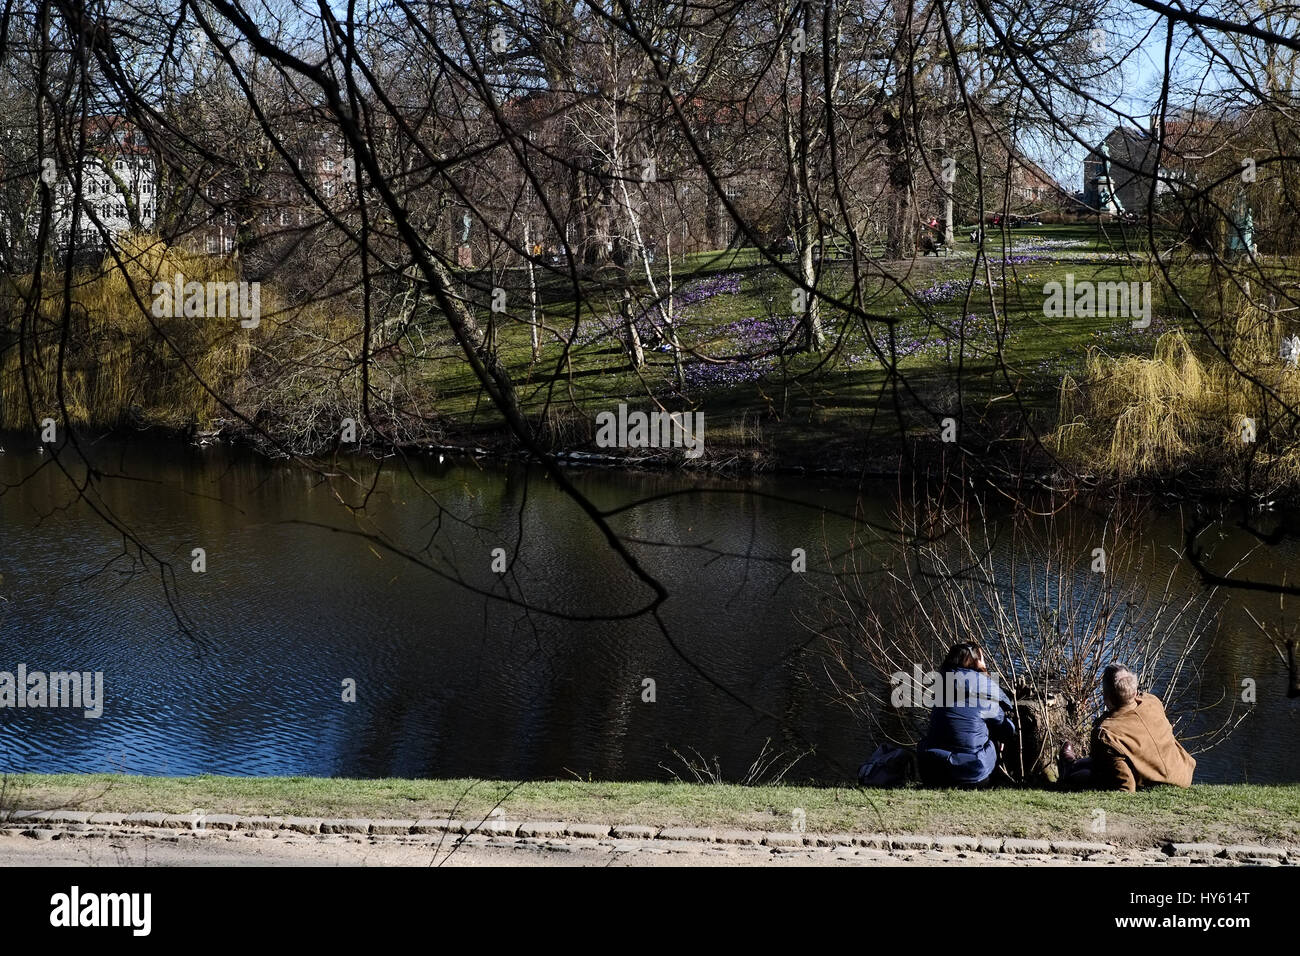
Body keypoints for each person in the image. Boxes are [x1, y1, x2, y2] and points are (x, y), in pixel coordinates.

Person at [1060, 664, 1195, 791]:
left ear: (1107, 698)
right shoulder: (1152, 702)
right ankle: (1072, 764)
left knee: (1089, 772)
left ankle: (1069, 771)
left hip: (1154, 781)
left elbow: (1125, 785)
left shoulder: (1107, 733)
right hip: (1182, 775)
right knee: (1098, 761)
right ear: (1135, 692)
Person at [917, 642, 1017, 787]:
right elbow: (1008, 730)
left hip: (932, 772)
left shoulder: (940, 691)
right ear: (976, 662)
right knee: (996, 738)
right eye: (982, 658)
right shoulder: (985, 695)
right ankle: (997, 783)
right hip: (970, 774)